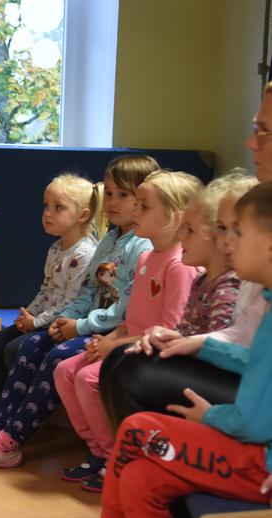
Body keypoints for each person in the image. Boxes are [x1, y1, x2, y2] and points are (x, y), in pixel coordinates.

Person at [42, 182, 272, 518]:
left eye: (237, 232)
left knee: (137, 431)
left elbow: (252, 421)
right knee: (140, 479)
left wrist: (208, 416)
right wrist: (202, 345)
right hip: (254, 453)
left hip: (260, 466)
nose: (227, 241)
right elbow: (254, 365)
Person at [0, 155, 157, 468]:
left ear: (143, 199)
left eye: (123, 195)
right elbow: (88, 291)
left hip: (109, 331)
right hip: (85, 321)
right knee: (32, 343)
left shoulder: (140, 246)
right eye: (110, 193)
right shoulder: (111, 238)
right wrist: (66, 319)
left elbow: (123, 310)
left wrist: (80, 326)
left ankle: (10, 441)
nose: (112, 202)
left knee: (56, 356)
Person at [52, 170, 202, 492]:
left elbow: (172, 330)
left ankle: (113, 456)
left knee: (87, 378)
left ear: (174, 216)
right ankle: (97, 451)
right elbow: (130, 313)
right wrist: (110, 338)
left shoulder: (179, 265)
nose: (135, 211)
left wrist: (118, 344)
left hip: (152, 350)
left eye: (144, 206)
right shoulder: (148, 256)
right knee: (65, 370)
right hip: (127, 341)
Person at [0, 173, 100, 450]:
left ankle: (12, 422)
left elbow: (73, 301)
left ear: (83, 215)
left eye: (58, 207)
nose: (47, 214)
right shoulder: (56, 248)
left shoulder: (85, 253)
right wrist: (27, 315)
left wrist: (36, 321)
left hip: (61, 323)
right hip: (40, 318)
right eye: (46, 206)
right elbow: (47, 289)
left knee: (14, 349)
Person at [100, 169, 261, 423]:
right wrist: (177, 339)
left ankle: (152, 450)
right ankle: (133, 453)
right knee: (120, 359)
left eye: (233, 231)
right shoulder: (236, 282)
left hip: (240, 383)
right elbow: (236, 334)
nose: (227, 241)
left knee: (133, 370)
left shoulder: (228, 282)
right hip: (229, 367)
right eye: (222, 228)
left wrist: (195, 344)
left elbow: (252, 361)